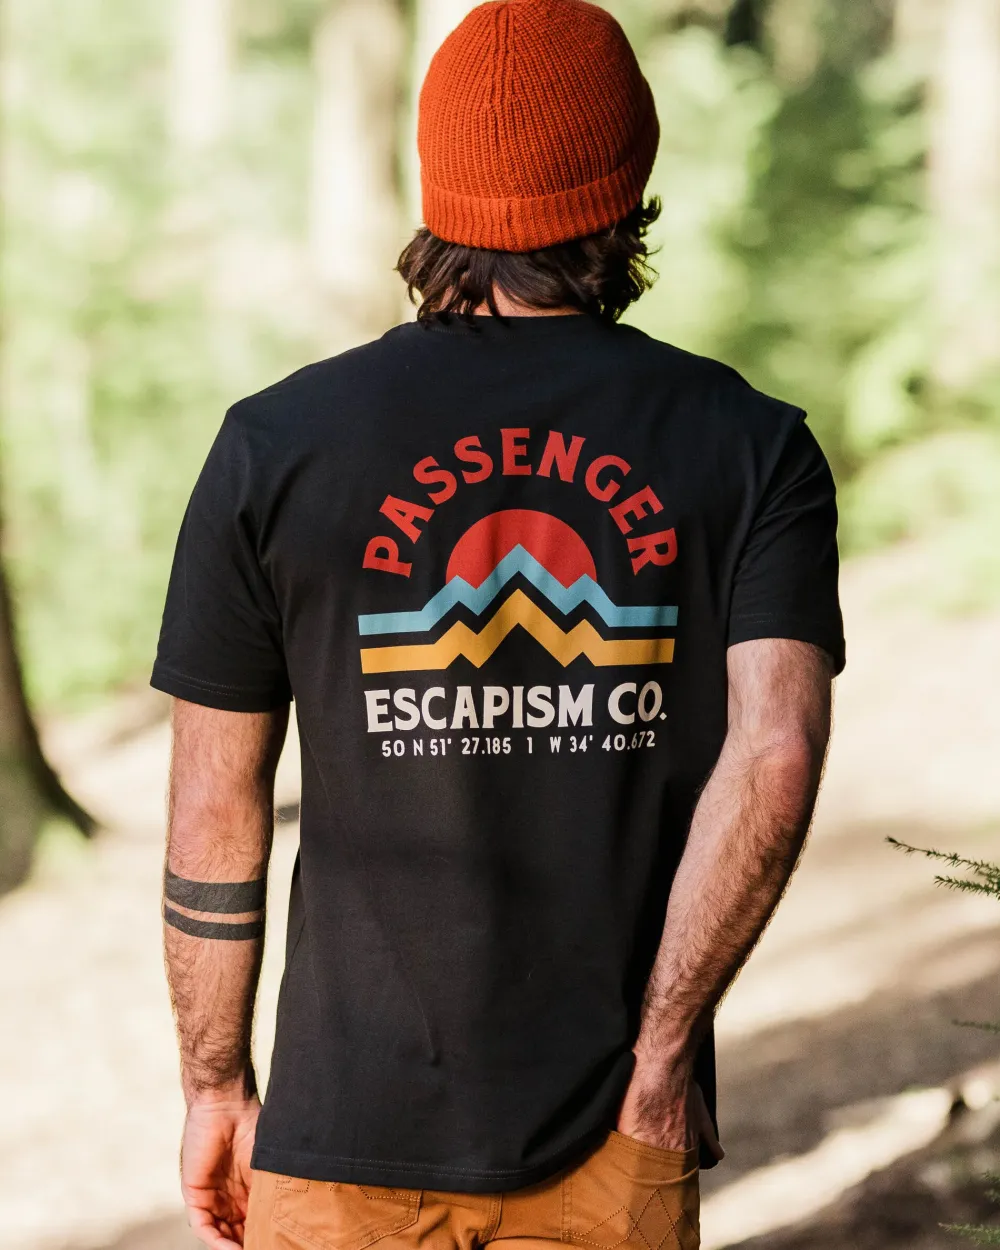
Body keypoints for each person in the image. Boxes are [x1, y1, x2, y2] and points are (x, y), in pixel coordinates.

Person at [151, 2, 844, 1248]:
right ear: (626, 185)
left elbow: (214, 805)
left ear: (439, 187)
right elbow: (776, 750)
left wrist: (214, 1082)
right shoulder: (750, 446)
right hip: (612, 1133)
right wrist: (661, 1060)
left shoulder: (276, 445)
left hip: (337, 1136)